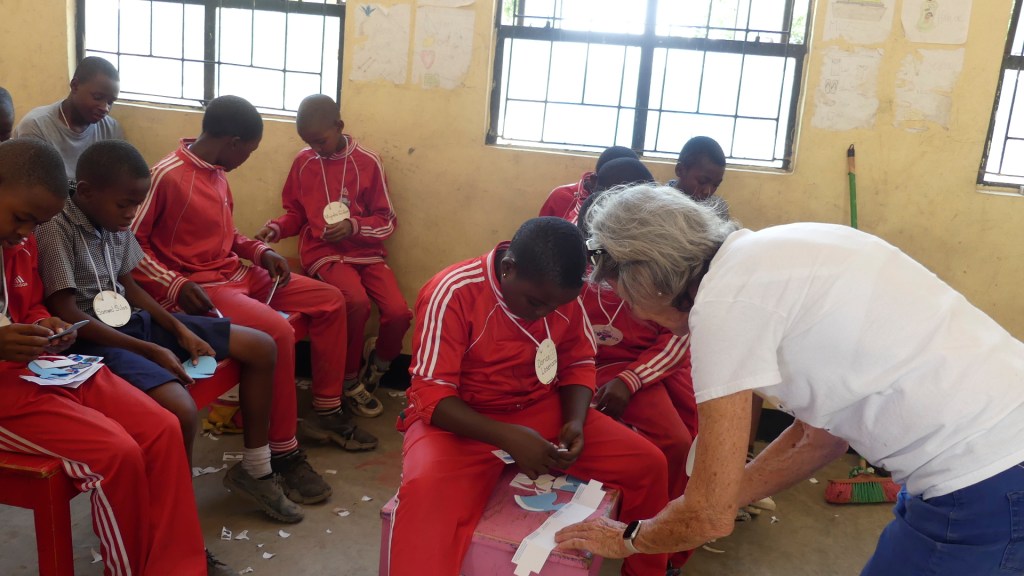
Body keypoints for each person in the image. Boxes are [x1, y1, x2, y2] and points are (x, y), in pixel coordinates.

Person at [556, 185, 1024, 576]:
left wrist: (631, 537)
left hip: (982, 479)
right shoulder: (777, 249)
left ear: (648, 278)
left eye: (626, 298)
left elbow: (709, 516)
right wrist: (714, 498)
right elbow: (817, 440)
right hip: (991, 452)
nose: (635, 314)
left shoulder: (724, 306)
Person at [36, 140, 304, 522]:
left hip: (131, 321)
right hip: (93, 340)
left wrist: (178, 329)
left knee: (261, 346)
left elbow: (130, 286)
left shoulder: (113, 219)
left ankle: (256, 469)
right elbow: (66, 310)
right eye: (124, 205)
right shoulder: (55, 227)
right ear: (87, 191)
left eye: (135, 204)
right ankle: (177, 521)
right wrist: (150, 350)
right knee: (181, 409)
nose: (131, 214)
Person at [130, 95, 376, 506]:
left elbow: (226, 235)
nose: (247, 159)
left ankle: (327, 408)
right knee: (278, 331)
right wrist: (174, 284)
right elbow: (130, 246)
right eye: (249, 151)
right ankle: (282, 453)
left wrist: (261, 252)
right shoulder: (165, 175)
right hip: (203, 288)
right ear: (233, 142)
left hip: (238, 274)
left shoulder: (217, 172)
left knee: (331, 300)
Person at [389, 217, 670, 576]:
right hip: (459, 421)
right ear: (508, 268)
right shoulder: (453, 292)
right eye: (536, 302)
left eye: (556, 306)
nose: (545, 314)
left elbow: (579, 360)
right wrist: (509, 437)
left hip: (540, 408)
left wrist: (574, 421)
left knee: (649, 465)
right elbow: (431, 394)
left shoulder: (556, 294)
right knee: (424, 500)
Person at [0, 137, 216, 575]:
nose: (25, 232)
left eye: (34, 224)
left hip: (42, 367)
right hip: (8, 388)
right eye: (22, 219)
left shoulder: (19, 243)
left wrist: (46, 325)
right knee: (116, 453)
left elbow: (31, 306)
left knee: (162, 426)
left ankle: (176, 566)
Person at [256, 94, 411, 418]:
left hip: (366, 252)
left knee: (398, 312)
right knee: (355, 302)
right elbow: (296, 213)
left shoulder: (368, 162)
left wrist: (354, 225)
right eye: (309, 143)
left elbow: (387, 221)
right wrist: (277, 228)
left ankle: (380, 363)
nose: (316, 149)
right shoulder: (304, 162)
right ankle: (349, 379)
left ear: (339, 126)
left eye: (321, 141)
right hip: (323, 252)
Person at [578, 167, 697, 571]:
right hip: (582, 368)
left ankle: (662, 549)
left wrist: (630, 381)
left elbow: (677, 338)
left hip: (640, 371)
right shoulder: (578, 271)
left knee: (678, 443)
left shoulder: (665, 268)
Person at [13, 57, 124, 178]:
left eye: (110, 102)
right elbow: (36, 184)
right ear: (75, 86)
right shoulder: (36, 126)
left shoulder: (111, 128)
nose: (105, 108)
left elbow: (115, 176)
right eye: (97, 97)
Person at [538, 145, 638, 222]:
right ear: (594, 180)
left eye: (630, 188)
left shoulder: (638, 205)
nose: (621, 196)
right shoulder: (561, 196)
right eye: (615, 189)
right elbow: (539, 236)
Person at [669, 136, 725, 202]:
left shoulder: (716, 206)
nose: (707, 192)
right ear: (680, 170)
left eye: (715, 185)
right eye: (702, 181)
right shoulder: (661, 204)